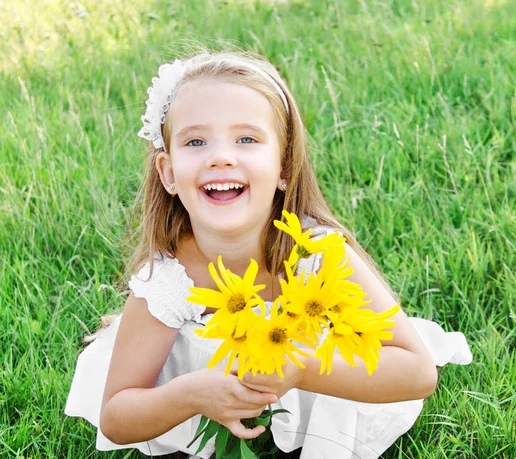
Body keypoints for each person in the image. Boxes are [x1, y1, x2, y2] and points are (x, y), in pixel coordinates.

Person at [65, 48, 472, 459]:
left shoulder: (317, 252)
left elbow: (417, 371)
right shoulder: (171, 279)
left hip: (319, 380)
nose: (221, 156)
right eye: (196, 141)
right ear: (169, 173)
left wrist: (300, 369)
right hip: (195, 396)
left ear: (283, 166)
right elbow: (116, 416)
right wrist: (189, 395)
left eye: (246, 139)